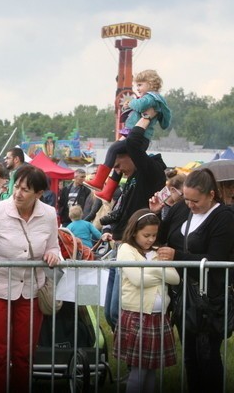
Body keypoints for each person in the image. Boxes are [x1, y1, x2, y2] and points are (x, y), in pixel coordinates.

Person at [0, 165, 60, 392]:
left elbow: (54, 246)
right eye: (16, 186)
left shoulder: (48, 214)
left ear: (39, 194)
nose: (18, 193)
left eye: (25, 190)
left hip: (32, 293)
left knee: (24, 354)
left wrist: (53, 254)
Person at [153, 168, 234, 393]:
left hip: (210, 298)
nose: (190, 205)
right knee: (189, 356)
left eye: (195, 201)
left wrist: (178, 257)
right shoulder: (182, 208)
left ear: (211, 194)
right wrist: (158, 214)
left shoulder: (224, 217)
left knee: (207, 356)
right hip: (183, 295)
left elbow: (216, 259)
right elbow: (163, 239)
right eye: (186, 199)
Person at [100, 116, 167, 330]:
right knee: (110, 313)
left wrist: (146, 116)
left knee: (118, 313)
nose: (117, 169)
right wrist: (109, 227)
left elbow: (131, 143)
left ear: (133, 157)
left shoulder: (150, 171)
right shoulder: (130, 179)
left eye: (119, 163)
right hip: (120, 247)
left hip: (135, 251)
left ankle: (131, 356)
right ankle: (127, 353)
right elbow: (122, 211)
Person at [113, 209, 179, 393]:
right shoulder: (126, 249)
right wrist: (160, 269)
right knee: (139, 369)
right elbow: (137, 279)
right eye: (146, 235)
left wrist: (150, 268)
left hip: (158, 316)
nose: (150, 239)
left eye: (154, 235)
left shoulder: (157, 251)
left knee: (151, 370)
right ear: (135, 231)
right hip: (137, 316)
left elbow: (175, 278)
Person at [85, 70, 171, 202]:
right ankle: (108, 191)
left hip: (138, 136)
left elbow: (140, 104)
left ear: (151, 84)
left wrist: (130, 102)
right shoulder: (154, 99)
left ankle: (100, 180)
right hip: (135, 134)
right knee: (118, 161)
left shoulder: (151, 97)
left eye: (140, 85)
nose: (138, 88)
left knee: (113, 149)